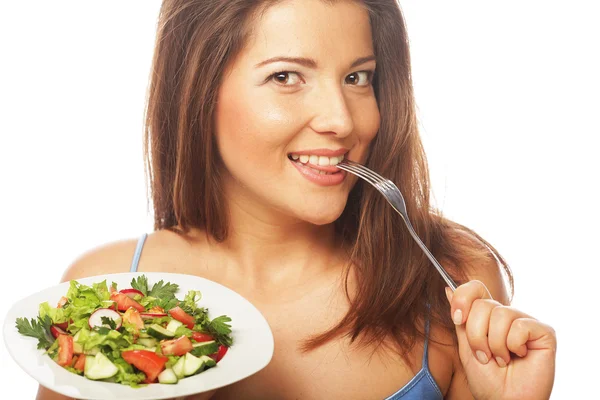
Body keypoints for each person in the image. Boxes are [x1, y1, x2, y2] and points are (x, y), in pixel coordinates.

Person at [38, 0, 556, 399]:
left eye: (358, 78)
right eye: (286, 76)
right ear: (199, 88)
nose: (341, 120)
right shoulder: (104, 294)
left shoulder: (450, 280)